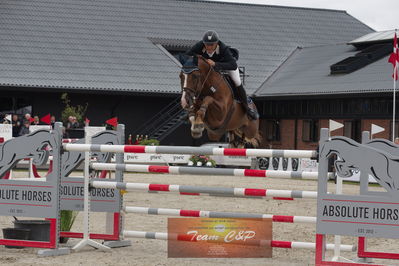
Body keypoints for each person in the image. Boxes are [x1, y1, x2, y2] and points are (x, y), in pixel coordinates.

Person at [184, 30, 258, 120]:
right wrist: (200, 58)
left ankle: (247, 107)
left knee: (237, 82)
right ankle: (192, 108)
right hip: (209, 69)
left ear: (216, 43)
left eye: (212, 45)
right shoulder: (200, 45)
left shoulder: (223, 48)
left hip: (226, 66)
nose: (209, 47)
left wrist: (216, 64)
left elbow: (233, 65)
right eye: (207, 44)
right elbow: (188, 54)